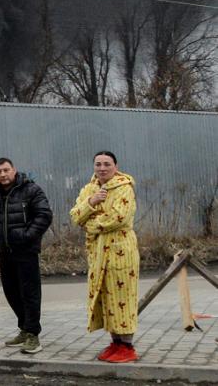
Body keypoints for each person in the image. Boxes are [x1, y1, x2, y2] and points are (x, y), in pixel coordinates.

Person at [69, 151, 139, 363]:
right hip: (98, 253)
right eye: (98, 164)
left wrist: (91, 223)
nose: (102, 168)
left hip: (120, 252)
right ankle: (115, 342)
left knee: (122, 298)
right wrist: (91, 202)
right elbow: (74, 215)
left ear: (115, 166)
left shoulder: (124, 188)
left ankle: (127, 345)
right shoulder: (89, 189)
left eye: (107, 164)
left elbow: (118, 217)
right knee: (105, 297)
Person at [0, 157, 53, 354]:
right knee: (11, 292)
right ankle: (24, 328)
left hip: (26, 250)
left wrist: (27, 236)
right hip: (5, 251)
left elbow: (44, 215)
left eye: (6, 170)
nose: (2, 174)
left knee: (30, 293)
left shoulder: (31, 189)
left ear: (14, 170)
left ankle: (33, 335)